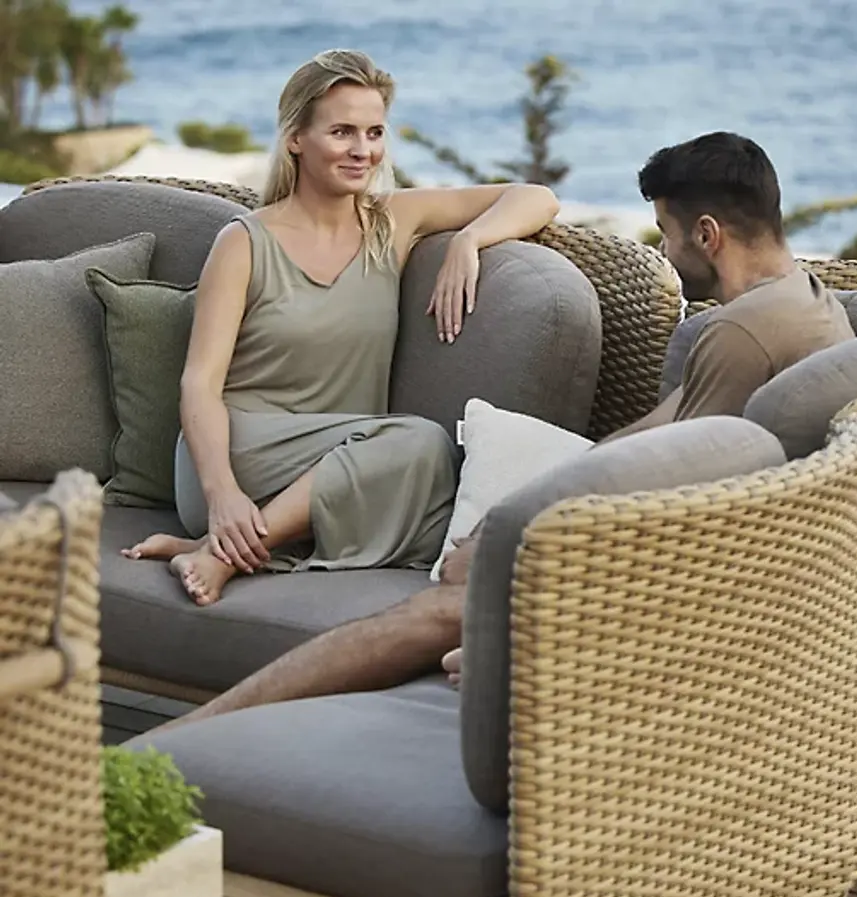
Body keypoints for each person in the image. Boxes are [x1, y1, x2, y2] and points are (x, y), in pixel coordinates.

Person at [152, 131, 855, 732]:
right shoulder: (812, 307)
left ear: (707, 234)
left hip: (663, 580)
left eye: (669, 235)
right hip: (723, 564)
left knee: (431, 611)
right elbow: (663, 430)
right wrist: (515, 512)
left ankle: (190, 736)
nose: (667, 253)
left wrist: (509, 544)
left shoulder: (739, 334)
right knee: (456, 579)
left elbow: (672, 485)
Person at [121, 49, 559, 606]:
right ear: (296, 139)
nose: (362, 150)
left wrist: (470, 240)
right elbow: (200, 384)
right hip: (238, 456)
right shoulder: (244, 242)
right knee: (422, 442)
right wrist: (222, 493)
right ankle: (223, 548)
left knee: (445, 496)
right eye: (342, 132)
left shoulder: (391, 222)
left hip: (345, 461)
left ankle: (214, 549)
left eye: (374, 132)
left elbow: (535, 197)